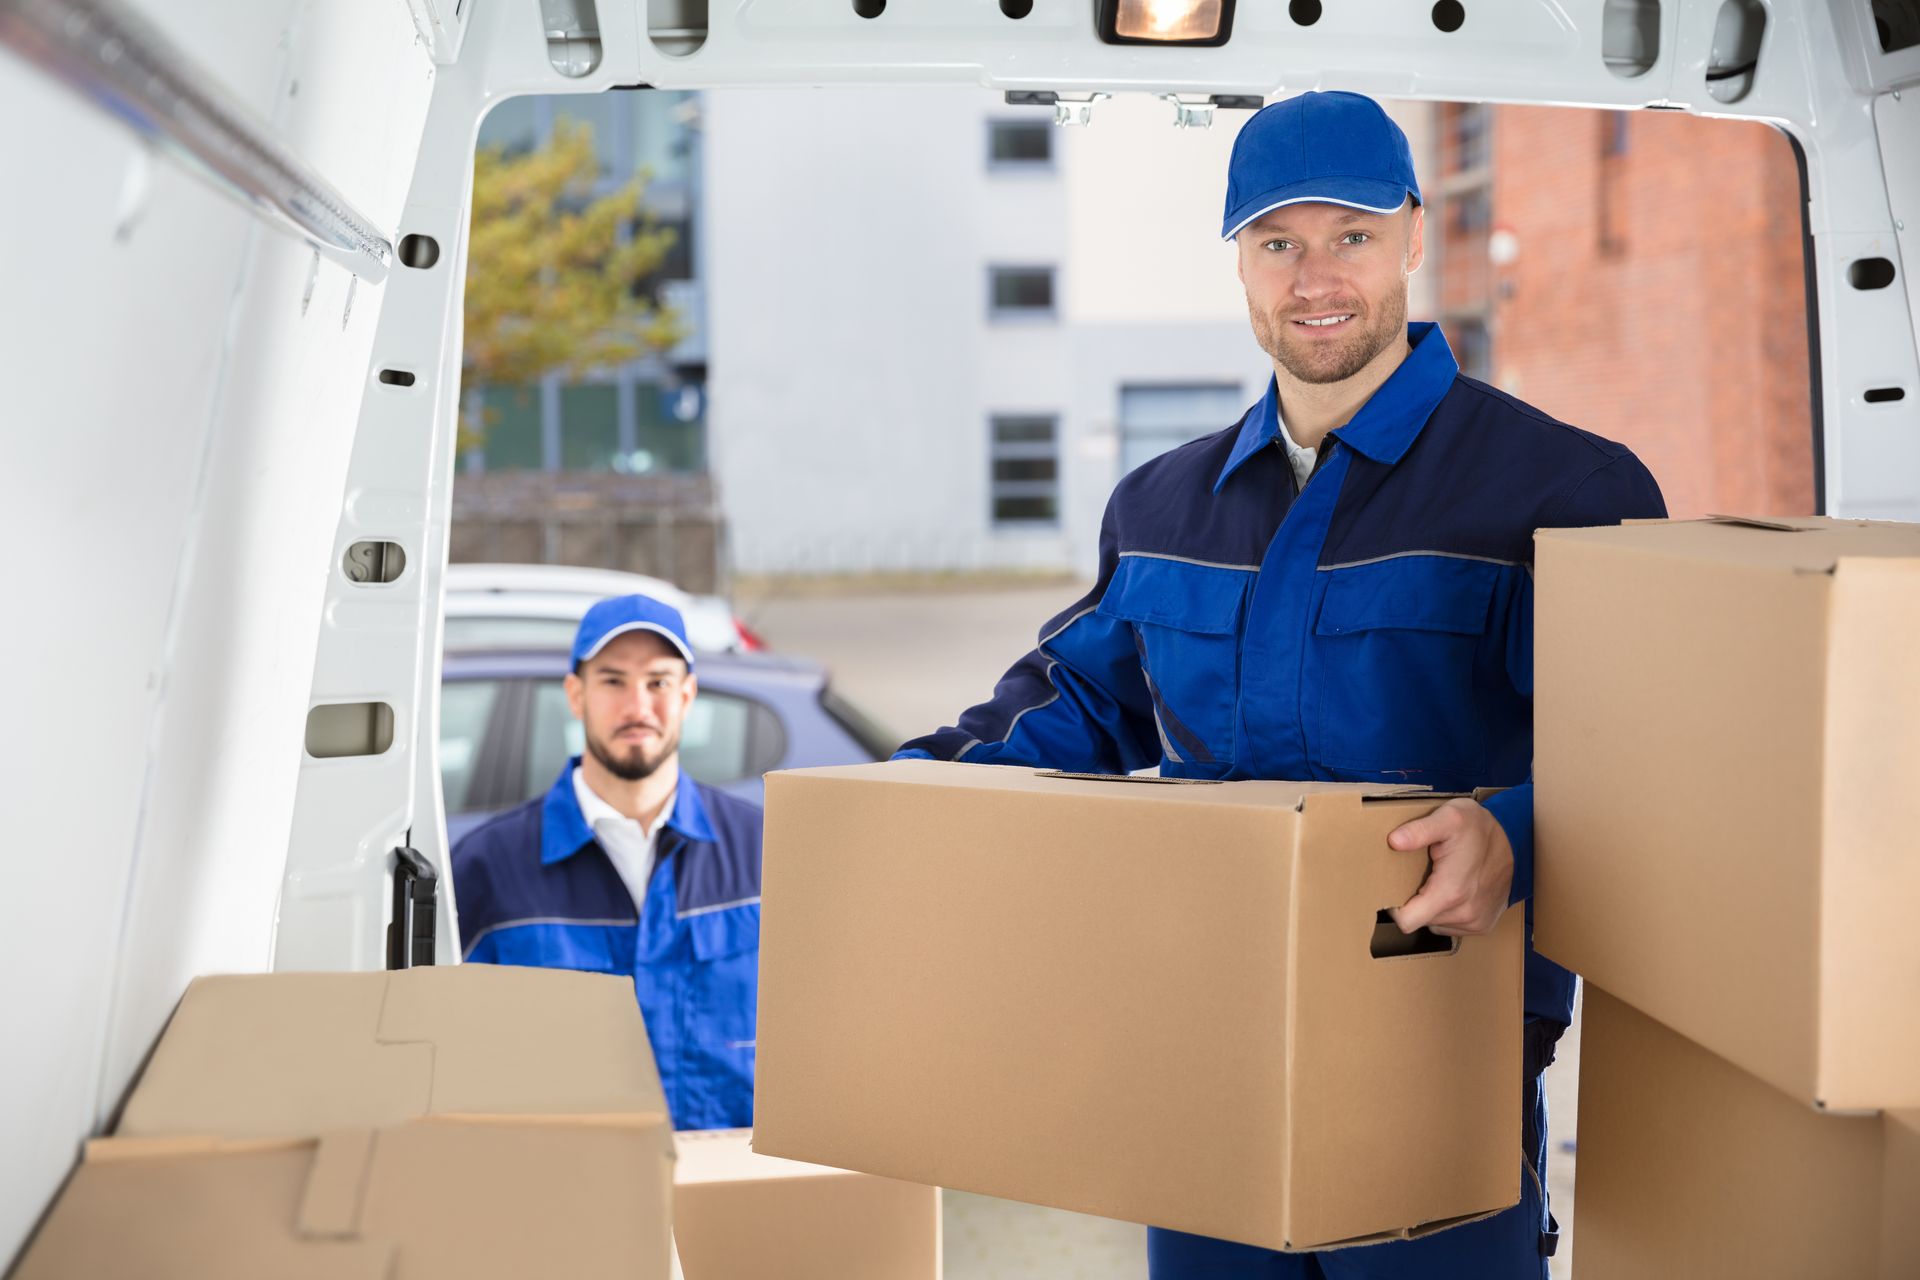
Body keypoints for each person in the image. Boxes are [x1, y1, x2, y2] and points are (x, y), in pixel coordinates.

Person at [896, 91, 1665, 1279]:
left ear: (1416, 233)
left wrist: (1511, 834)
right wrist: (904, 797)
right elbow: (1079, 706)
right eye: (1277, 243)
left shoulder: (1558, 488)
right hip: (1210, 1053)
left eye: (1350, 235)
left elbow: (1644, 761)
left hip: (1442, 1048)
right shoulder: (1161, 506)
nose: (1315, 279)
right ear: (1239, 264)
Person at [452, 593, 764, 1132]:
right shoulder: (487, 866)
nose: (638, 707)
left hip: (734, 1192)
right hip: (569, 1195)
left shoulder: (766, 849)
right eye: (613, 681)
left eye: (659, 682)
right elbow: (453, 1060)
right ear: (576, 695)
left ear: (688, 695)